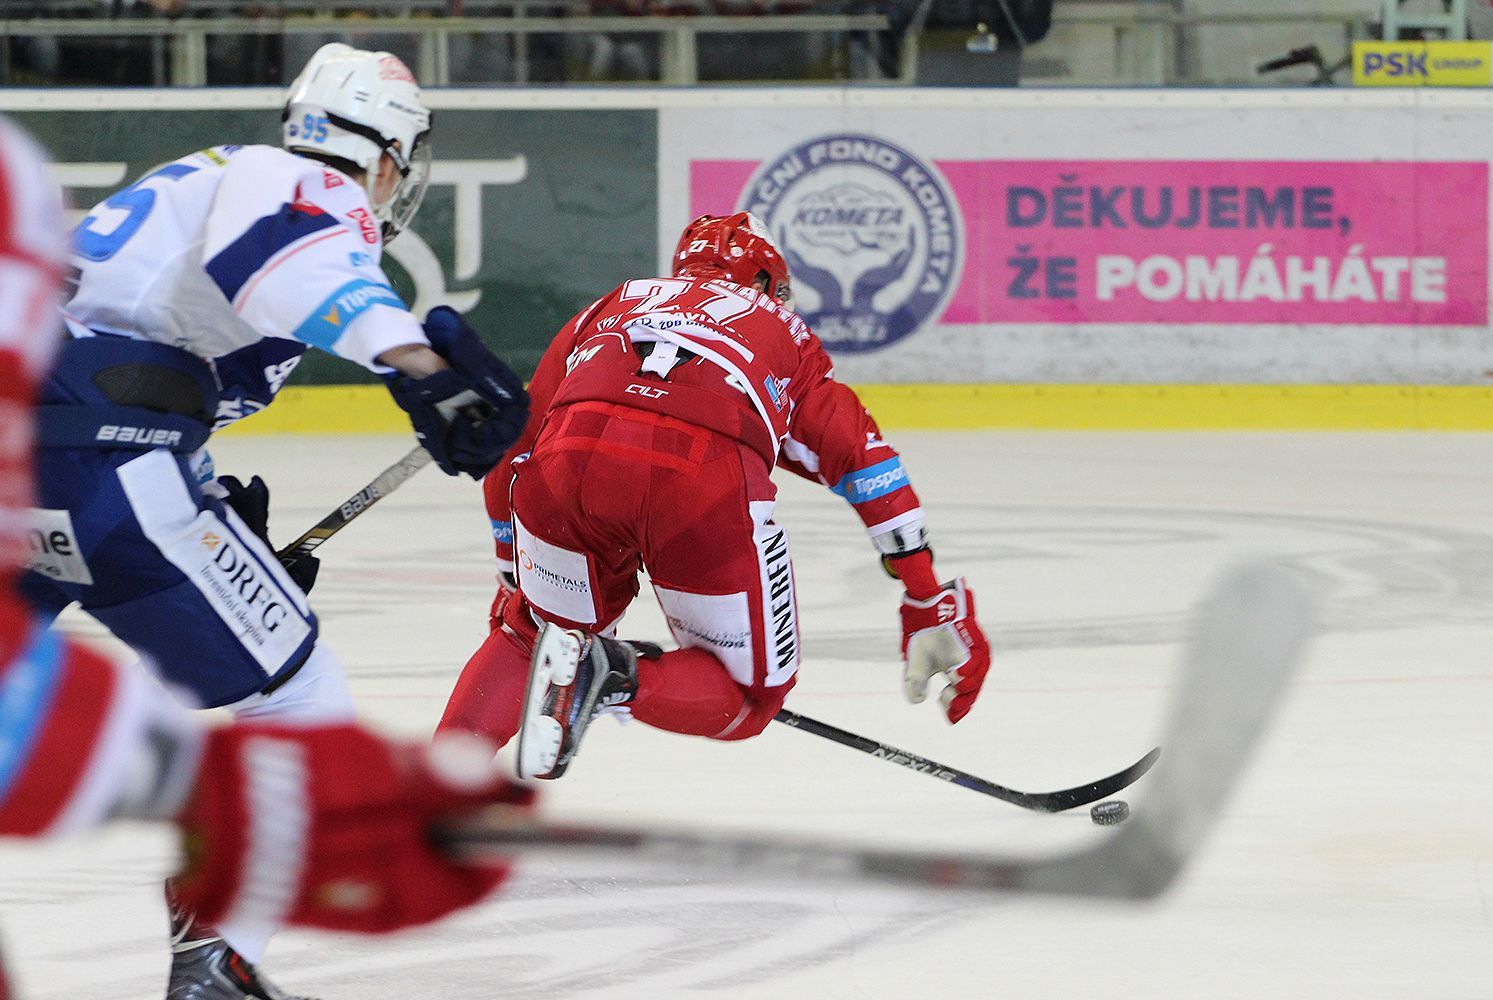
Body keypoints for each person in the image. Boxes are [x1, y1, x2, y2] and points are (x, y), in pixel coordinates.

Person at [18, 42, 527, 999]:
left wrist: (214, 514)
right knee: (297, 697)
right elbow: (270, 266)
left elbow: (155, 349)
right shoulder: (290, 183)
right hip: (105, 453)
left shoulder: (209, 184)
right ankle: (218, 959)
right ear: (383, 154)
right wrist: (421, 372)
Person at [436, 212, 991, 781]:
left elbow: (517, 444)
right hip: (696, 480)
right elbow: (867, 465)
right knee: (746, 699)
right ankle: (615, 674)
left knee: (528, 638)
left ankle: (430, 787)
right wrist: (925, 597)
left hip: (566, 466)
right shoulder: (782, 330)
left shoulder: (617, 301)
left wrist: (514, 573)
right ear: (765, 285)